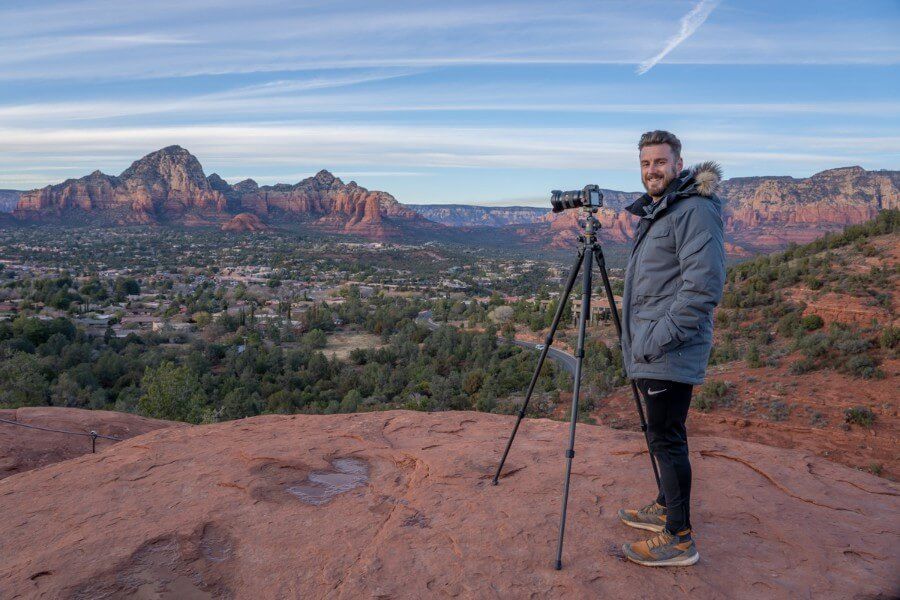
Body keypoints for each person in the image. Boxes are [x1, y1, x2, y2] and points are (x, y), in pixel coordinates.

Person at [617, 130, 726, 567]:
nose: (651, 171)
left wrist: (654, 338)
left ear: (678, 164)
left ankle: (679, 539)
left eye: (659, 162)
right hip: (657, 348)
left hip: (669, 349)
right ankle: (665, 506)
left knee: (668, 438)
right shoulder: (666, 209)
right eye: (645, 164)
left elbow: (703, 288)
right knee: (660, 434)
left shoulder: (695, 210)